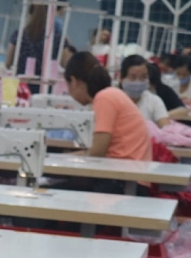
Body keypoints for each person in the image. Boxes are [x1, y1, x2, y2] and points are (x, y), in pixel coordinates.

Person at [65, 51, 151, 194]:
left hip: (124, 183)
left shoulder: (105, 98)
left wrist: (64, 159)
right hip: (125, 177)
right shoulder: (111, 94)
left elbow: (97, 152)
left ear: (73, 81)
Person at [5, 5, 68, 85]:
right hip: (46, 85)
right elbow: (65, 64)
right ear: (50, 15)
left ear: (29, 14)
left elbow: (8, 63)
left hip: (22, 85)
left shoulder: (18, 34)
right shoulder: (57, 37)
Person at [120, 55, 170, 128]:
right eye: (133, 77)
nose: (138, 82)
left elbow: (166, 128)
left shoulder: (154, 101)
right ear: (121, 79)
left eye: (143, 77)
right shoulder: (113, 101)